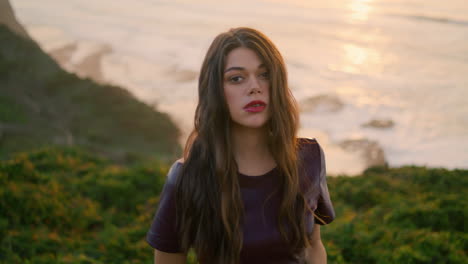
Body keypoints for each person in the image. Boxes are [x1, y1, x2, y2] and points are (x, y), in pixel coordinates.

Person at [146, 27, 335, 264]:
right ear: (215, 91)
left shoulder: (309, 157)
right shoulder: (187, 177)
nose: (254, 86)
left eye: (265, 74)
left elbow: (313, 245)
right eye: (236, 78)